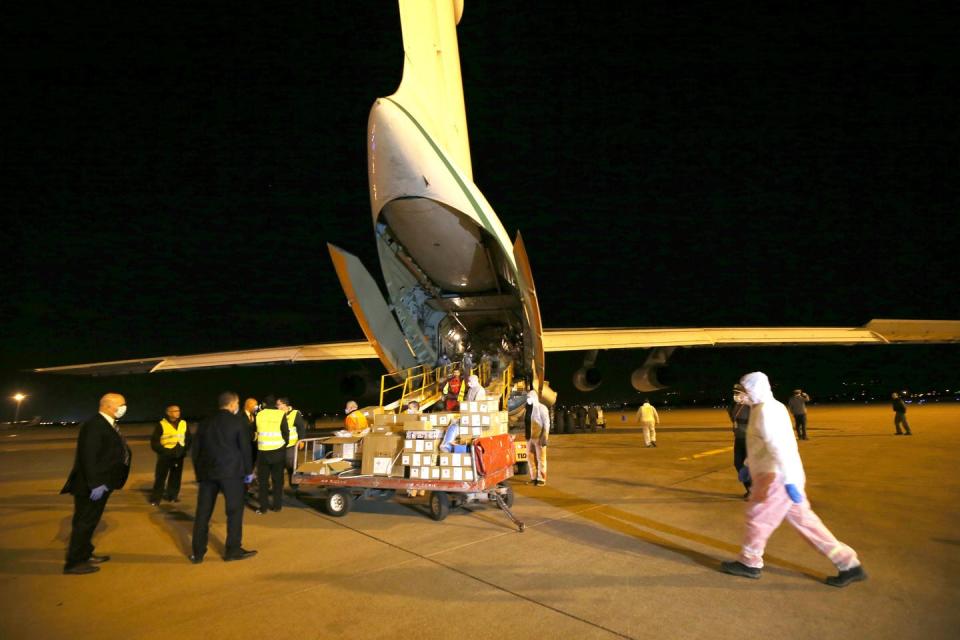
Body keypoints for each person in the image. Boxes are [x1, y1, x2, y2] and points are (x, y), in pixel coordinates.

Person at [720, 372, 866, 587]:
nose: (740, 395)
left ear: (754, 389)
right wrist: (748, 466)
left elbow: (780, 447)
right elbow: (762, 445)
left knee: (758, 518)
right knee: (808, 524)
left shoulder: (766, 412)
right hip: (780, 474)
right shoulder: (767, 408)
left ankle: (750, 563)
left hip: (777, 477)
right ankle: (849, 564)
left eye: (743, 390)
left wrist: (787, 480)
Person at [61, 393, 132, 575]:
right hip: (91, 486)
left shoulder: (108, 424)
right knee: (84, 522)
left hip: (102, 484)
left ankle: (85, 553)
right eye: (121, 404)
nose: (124, 407)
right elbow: (88, 458)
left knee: (90, 521)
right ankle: (74, 563)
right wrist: (96, 484)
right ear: (108, 406)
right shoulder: (95, 425)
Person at [190, 391, 256, 563]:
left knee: (203, 513)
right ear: (233, 404)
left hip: (207, 474)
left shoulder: (205, 423)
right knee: (234, 512)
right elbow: (245, 449)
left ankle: (197, 553)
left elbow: (195, 450)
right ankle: (232, 550)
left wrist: (199, 473)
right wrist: (249, 472)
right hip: (232, 474)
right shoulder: (238, 422)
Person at [149, 404, 192, 505]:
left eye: (178, 411)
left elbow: (188, 438)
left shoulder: (183, 423)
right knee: (161, 477)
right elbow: (154, 442)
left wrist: (184, 450)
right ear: (168, 413)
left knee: (176, 477)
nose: (178, 413)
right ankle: (156, 499)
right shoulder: (161, 424)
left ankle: (172, 496)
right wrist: (163, 451)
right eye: (175, 411)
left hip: (179, 454)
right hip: (166, 454)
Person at [254, 397, 289, 513]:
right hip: (278, 452)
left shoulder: (259, 415)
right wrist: (283, 446)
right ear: (274, 404)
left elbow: (253, 432)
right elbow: (285, 433)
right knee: (277, 481)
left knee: (263, 482)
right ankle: (277, 506)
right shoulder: (280, 414)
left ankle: (263, 508)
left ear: (264, 403)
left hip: (263, 453)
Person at [727, 384, 752, 499]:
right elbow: (733, 417)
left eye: (738, 393)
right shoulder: (735, 406)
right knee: (737, 464)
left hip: (749, 440)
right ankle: (750, 488)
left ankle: (753, 491)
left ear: (745, 394)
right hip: (739, 439)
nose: (735, 395)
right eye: (735, 393)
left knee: (749, 466)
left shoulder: (751, 407)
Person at [277, 397, 307, 487]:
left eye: (278, 404)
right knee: (279, 468)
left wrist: (301, 440)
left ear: (284, 405)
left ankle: (294, 487)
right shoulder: (277, 414)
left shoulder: (295, 413)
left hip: (291, 445)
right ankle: (279, 487)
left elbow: (301, 428)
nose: (277, 406)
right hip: (279, 445)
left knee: (291, 467)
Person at [524, 390, 550, 486]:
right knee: (530, 458)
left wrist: (545, 435)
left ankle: (541, 479)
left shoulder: (541, 408)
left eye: (529, 397)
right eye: (527, 398)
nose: (528, 399)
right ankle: (534, 477)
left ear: (534, 398)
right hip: (529, 438)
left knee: (541, 459)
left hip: (539, 437)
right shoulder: (528, 408)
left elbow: (546, 423)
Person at [242, 397, 259, 469]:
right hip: (244, 447)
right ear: (249, 405)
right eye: (255, 406)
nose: (256, 408)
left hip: (253, 448)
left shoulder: (254, 416)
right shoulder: (240, 416)